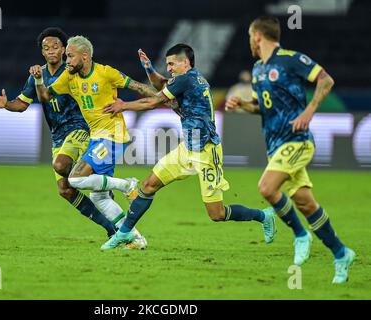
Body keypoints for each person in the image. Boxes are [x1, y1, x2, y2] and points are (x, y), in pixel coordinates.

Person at [100, 44, 276, 251]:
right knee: (148, 185)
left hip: (206, 151)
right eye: (167, 64)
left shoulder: (187, 79)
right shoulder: (188, 79)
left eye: (172, 63)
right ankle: (124, 233)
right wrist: (149, 69)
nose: (169, 68)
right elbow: (162, 84)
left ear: (186, 62)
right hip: (187, 149)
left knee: (217, 214)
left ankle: (264, 216)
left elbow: (154, 102)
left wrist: (124, 105)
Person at [226, 16, 355, 284]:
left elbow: (326, 80)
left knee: (267, 188)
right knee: (306, 203)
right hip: (274, 145)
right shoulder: (259, 69)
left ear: (258, 36)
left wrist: (308, 112)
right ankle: (342, 253)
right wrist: (243, 105)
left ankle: (300, 234)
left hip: (296, 141)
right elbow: (263, 106)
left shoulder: (291, 59)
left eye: (250, 35)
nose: (249, 41)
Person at [0, 28, 145, 247]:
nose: (51, 51)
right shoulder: (38, 75)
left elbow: (101, 83)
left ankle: (111, 186)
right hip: (57, 135)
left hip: (79, 129)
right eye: (46, 48)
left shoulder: (72, 71)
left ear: (63, 50)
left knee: (62, 165)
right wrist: (7, 105)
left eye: (56, 47)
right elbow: (24, 104)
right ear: (42, 52)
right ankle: (113, 228)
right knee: (66, 190)